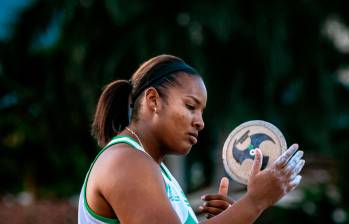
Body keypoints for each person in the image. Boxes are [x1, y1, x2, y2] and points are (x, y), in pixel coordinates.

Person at [78, 54, 305, 224]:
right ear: (153, 100)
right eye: (190, 106)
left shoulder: (153, 169)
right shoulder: (126, 161)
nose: (200, 122)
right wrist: (255, 201)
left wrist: (232, 217)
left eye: (202, 112)